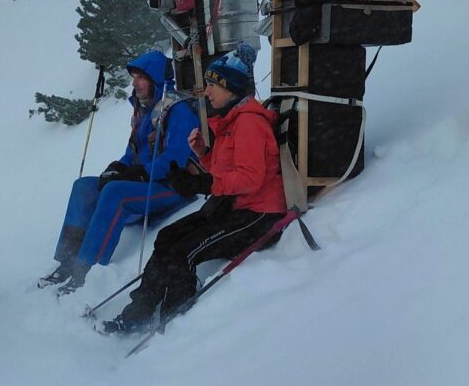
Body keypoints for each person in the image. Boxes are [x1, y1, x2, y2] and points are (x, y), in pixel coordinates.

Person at [99, 42, 287, 334]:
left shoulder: (249, 123)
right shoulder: (230, 121)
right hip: (232, 205)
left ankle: (175, 318)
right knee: (167, 237)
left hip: (258, 214)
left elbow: (251, 179)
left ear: (231, 88)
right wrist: (203, 155)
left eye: (213, 85)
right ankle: (140, 311)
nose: (207, 92)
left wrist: (205, 182)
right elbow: (226, 171)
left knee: (183, 251)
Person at [39, 50, 199, 295]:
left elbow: (176, 158)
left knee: (116, 193)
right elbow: (133, 152)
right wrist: (119, 167)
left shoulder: (178, 111)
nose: (134, 84)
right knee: (84, 186)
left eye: (140, 78)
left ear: (155, 79)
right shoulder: (144, 110)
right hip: (145, 180)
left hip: (172, 186)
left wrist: (139, 174)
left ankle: (85, 269)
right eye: (133, 77)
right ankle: (67, 261)